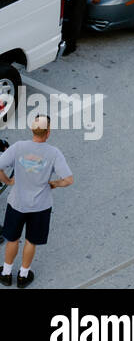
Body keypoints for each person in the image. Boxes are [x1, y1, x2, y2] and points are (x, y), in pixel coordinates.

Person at [0, 115, 73, 289]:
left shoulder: (18, 147)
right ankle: (24, 275)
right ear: (48, 133)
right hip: (40, 206)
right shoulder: (54, 153)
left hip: (17, 203)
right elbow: (69, 180)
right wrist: (54, 183)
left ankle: (6, 273)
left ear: (33, 129)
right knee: (31, 241)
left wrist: (8, 182)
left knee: (12, 239)